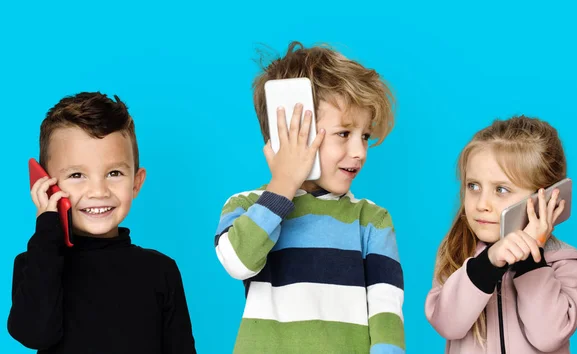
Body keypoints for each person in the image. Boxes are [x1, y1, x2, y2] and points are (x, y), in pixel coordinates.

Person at [214, 41, 405, 353]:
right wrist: (283, 184)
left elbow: (387, 311)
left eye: (365, 136)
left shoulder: (372, 220)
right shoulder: (248, 206)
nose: (358, 152)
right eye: (344, 134)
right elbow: (238, 262)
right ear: (287, 131)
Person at [8, 92, 197, 354]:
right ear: (46, 185)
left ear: (136, 182)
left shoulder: (160, 270)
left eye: (114, 173)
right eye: (76, 175)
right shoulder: (36, 264)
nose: (99, 191)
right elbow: (35, 334)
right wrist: (47, 231)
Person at [425, 115, 577, 353]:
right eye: (473, 186)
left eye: (501, 190)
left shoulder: (566, 264)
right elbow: (448, 324)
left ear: (544, 198)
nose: (482, 203)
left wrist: (530, 256)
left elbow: (548, 336)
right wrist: (488, 262)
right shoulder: (458, 253)